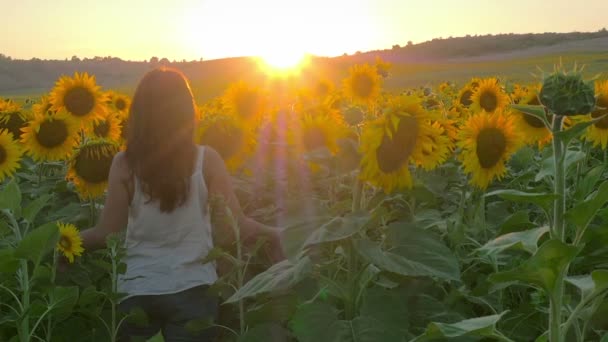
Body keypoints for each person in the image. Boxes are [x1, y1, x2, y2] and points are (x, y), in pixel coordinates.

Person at [80, 67, 284, 341]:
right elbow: (233, 228)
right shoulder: (206, 160)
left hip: (137, 292)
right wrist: (275, 234)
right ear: (188, 112)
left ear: (139, 114)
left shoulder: (124, 164)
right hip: (194, 291)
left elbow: (108, 234)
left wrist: (60, 243)